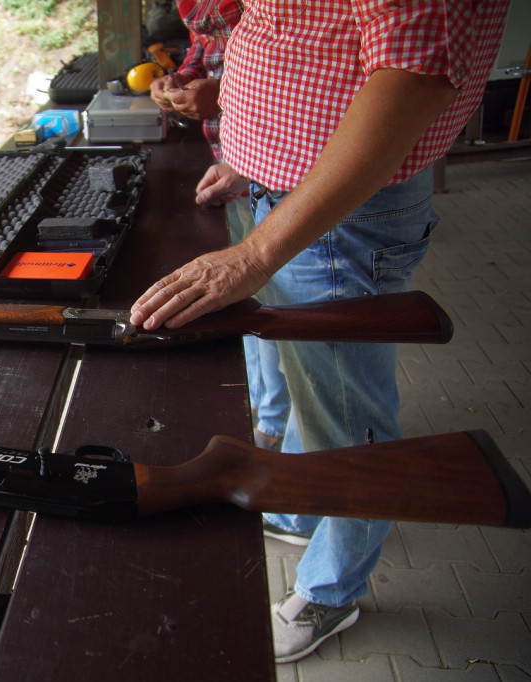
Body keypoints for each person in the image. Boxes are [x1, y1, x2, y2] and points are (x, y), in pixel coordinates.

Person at [130, 0, 510, 664]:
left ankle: (334, 589)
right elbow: (318, 44)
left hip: (338, 215)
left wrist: (251, 255)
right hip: (285, 192)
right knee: (313, 382)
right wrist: (256, 158)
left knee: (345, 416)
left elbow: (412, 77)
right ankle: (304, 514)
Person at [150, 0, 290, 451]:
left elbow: (311, 77)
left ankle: (300, 498)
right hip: (253, 166)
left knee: (331, 389)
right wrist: (186, 80)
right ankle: (268, 419)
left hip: (296, 175)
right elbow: (208, 46)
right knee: (260, 311)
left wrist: (224, 95)